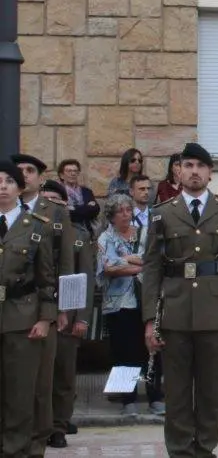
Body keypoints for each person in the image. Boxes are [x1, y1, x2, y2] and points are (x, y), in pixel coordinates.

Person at [142, 143, 218, 457]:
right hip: (173, 311)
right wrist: (150, 319)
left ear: (210, 173)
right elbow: (151, 268)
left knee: (211, 390)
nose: (194, 172)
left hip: (214, 312)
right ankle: (179, 450)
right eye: (188, 165)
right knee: (175, 390)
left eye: (200, 166)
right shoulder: (162, 213)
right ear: (179, 171)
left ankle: (204, 448)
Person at [13, 153, 75, 457]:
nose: (24, 175)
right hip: (11, 306)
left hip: (44, 305)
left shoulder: (55, 211)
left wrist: (64, 308)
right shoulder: (6, 210)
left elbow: (66, 262)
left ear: (40, 176)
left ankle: (37, 441)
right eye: (19, 170)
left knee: (41, 379)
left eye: (29, 170)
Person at [0, 159, 57, 458]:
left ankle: (17, 451)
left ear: (20, 188)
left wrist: (46, 318)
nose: (2, 188)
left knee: (21, 394)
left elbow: (47, 279)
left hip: (23, 317)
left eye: (8, 182)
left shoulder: (36, 227)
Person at [97, 194, 164, 416]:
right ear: (111, 216)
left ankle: (156, 396)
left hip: (146, 299)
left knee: (152, 348)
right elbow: (107, 268)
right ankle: (128, 400)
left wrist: (124, 260)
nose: (126, 214)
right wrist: (137, 263)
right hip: (119, 304)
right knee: (124, 352)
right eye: (120, 211)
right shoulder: (105, 238)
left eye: (128, 209)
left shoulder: (144, 233)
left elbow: (153, 260)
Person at [41, 180, 94, 449]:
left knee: (63, 376)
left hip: (66, 316)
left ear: (65, 203)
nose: (49, 203)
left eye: (55, 199)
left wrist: (82, 317)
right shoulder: (29, 231)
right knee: (37, 377)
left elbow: (84, 277)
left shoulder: (77, 236)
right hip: (35, 314)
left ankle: (59, 426)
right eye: (45, 198)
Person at [56, 158, 100, 230]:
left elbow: (95, 210)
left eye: (75, 171)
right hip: (65, 231)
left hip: (87, 232)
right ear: (61, 175)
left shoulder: (86, 191)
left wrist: (72, 208)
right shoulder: (57, 192)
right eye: (69, 171)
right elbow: (63, 213)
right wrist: (86, 208)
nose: (73, 174)